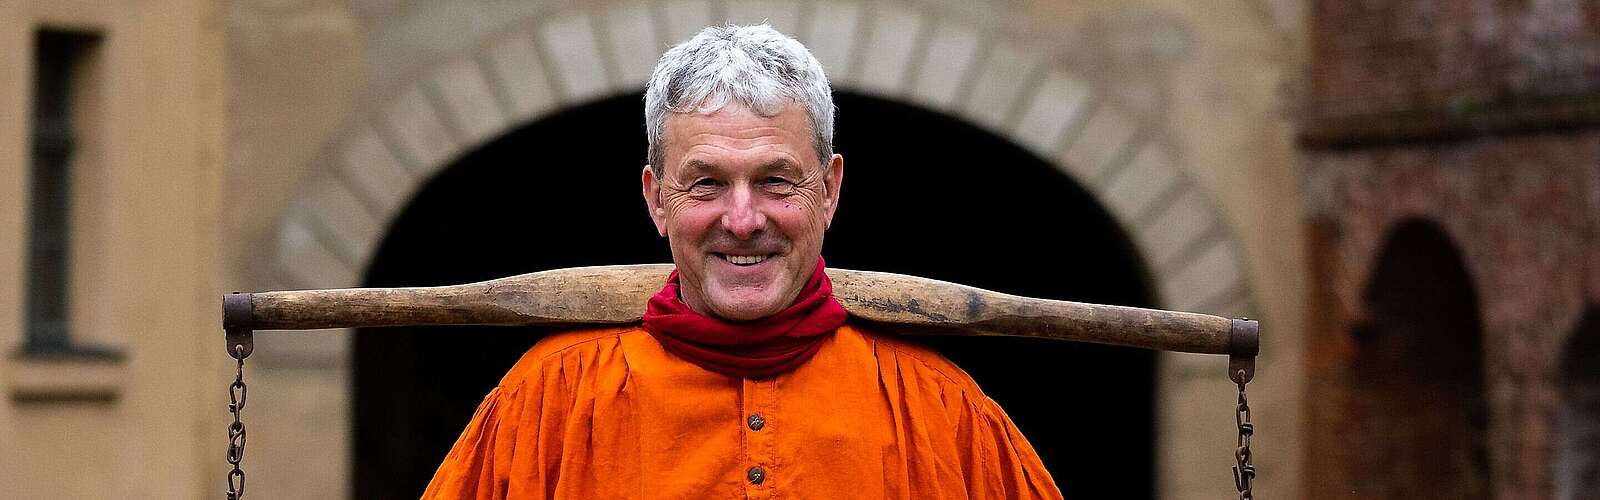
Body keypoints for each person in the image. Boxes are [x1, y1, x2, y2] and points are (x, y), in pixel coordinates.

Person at [423, 24, 1062, 499]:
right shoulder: (546, 406)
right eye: (705, 184)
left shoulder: (943, 417)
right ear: (656, 199)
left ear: (831, 190)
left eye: (776, 181)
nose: (743, 220)